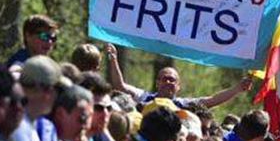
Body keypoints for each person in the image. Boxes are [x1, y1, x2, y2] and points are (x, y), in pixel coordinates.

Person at [105, 43, 254, 111]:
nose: (168, 82)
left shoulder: (183, 104)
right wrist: (113, 59)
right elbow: (120, 86)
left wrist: (237, 89)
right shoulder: (144, 97)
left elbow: (212, 100)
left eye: (172, 80)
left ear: (178, 86)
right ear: (157, 83)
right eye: (164, 79)